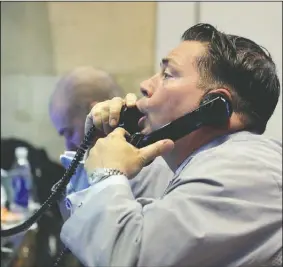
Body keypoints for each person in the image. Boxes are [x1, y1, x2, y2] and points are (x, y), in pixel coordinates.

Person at [60, 24, 282, 267]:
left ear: (216, 106)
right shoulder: (183, 164)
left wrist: (107, 175)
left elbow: (131, 257)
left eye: (168, 74)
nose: (145, 85)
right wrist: (100, 146)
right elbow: (89, 232)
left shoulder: (246, 170)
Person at [49, 66, 172, 200]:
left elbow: (93, 219)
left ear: (96, 112)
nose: (68, 146)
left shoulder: (142, 171)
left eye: (69, 132)